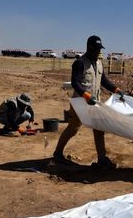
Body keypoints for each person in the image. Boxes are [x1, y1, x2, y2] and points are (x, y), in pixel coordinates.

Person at [52, 35, 124, 169]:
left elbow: (104, 81)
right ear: (89, 48)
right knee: (73, 128)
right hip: (80, 102)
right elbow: (75, 82)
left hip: (94, 102)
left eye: (100, 50)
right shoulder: (80, 63)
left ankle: (102, 159)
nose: (98, 52)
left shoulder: (99, 63)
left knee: (99, 129)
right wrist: (86, 96)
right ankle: (57, 154)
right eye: (96, 49)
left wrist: (116, 89)